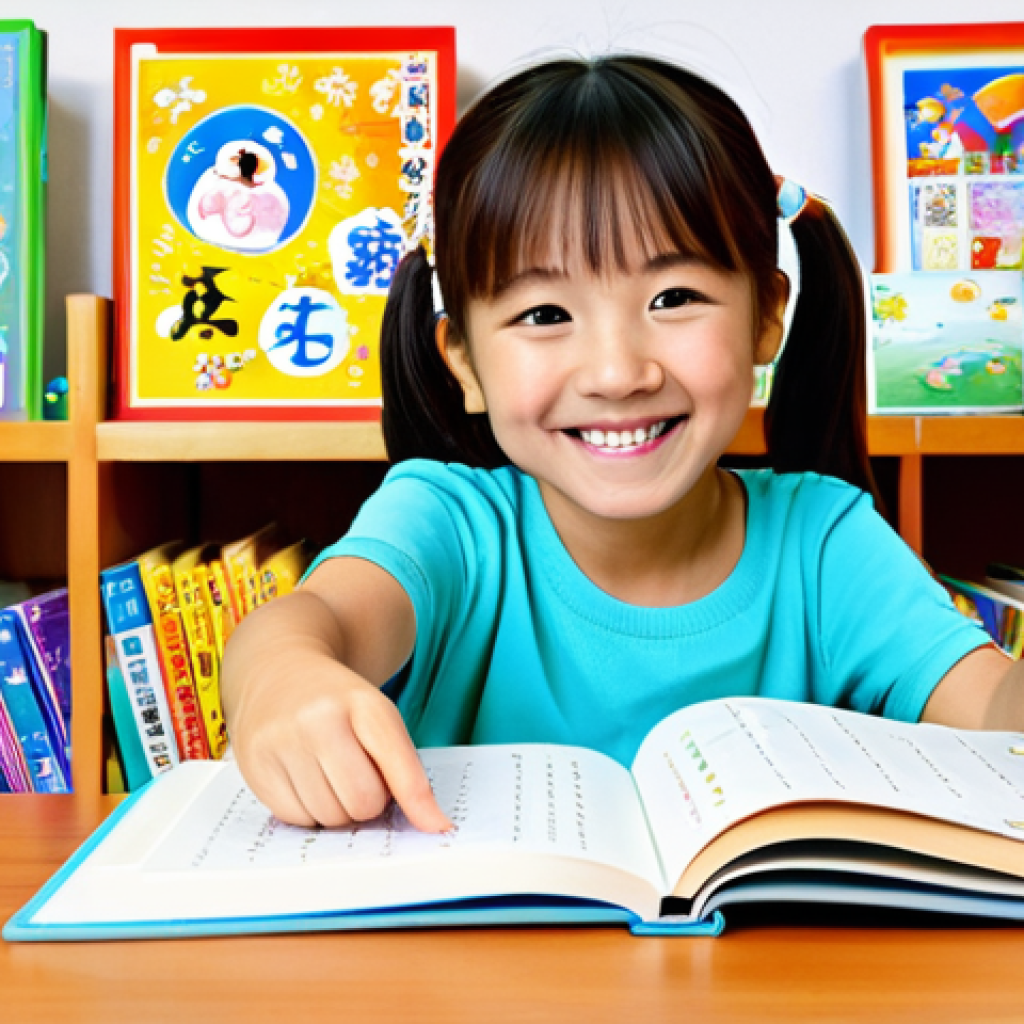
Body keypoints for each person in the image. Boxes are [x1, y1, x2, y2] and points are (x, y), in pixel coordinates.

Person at [221, 54, 1021, 833]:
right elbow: (310, 620)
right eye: (544, 315)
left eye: (674, 297)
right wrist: (280, 680)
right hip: (472, 968)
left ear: (766, 318)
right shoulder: (449, 521)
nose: (616, 372)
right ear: (463, 361)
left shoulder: (824, 542)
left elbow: (989, 705)